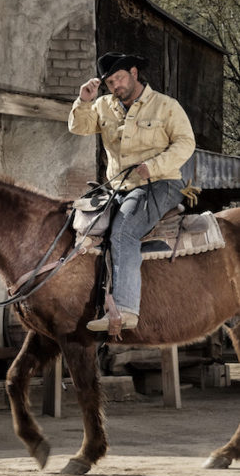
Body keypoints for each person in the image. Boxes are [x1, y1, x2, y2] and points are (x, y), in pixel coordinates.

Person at [68, 52, 196, 331]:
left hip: (160, 183)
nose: (116, 86)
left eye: (120, 78)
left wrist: (155, 164)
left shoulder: (165, 106)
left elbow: (186, 143)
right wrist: (85, 100)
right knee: (80, 224)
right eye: (110, 82)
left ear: (135, 73)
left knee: (124, 230)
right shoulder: (103, 105)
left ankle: (125, 310)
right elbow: (78, 127)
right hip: (117, 189)